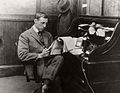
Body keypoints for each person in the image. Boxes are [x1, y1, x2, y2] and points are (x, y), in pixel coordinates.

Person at [17, 12, 64, 93]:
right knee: (56, 79)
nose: (45, 26)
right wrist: (39, 55)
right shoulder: (25, 35)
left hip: (49, 63)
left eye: (46, 23)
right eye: (42, 23)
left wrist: (57, 46)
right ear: (35, 21)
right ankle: (44, 85)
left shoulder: (48, 35)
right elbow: (22, 55)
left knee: (60, 58)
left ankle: (44, 85)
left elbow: (52, 51)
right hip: (36, 65)